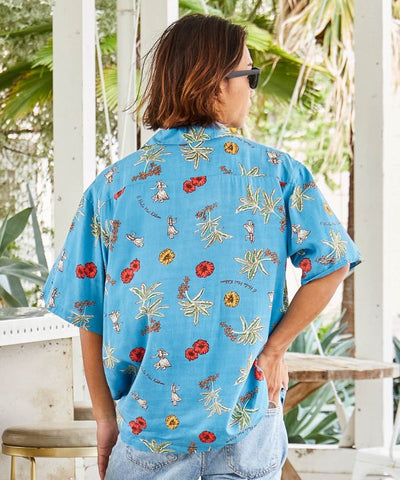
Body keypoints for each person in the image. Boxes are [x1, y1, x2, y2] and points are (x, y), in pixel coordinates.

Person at [41, 13, 361, 480]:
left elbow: (87, 313)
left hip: (147, 433)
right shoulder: (277, 173)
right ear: (214, 82)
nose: (253, 89)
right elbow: (333, 263)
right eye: (249, 76)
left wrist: (105, 419)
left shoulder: (112, 188)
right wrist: (274, 350)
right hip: (247, 427)